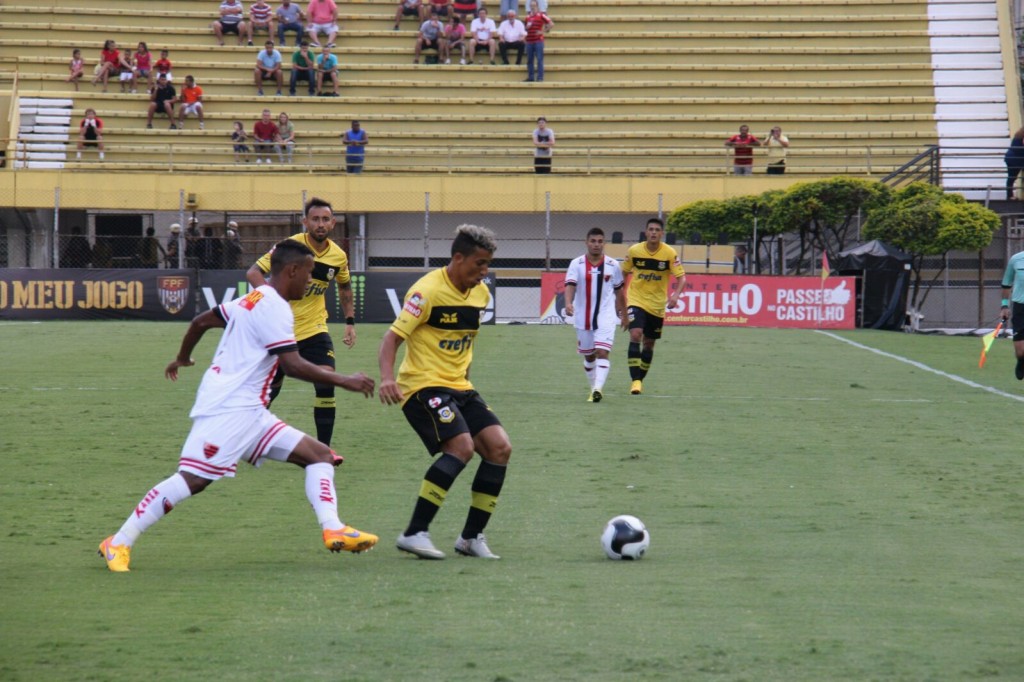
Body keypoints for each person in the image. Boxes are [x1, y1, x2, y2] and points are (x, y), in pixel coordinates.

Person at [97, 239, 378, 573]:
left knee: (319, 455)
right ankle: (119, 541)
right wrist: (345, 380)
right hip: (229, 410)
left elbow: (201, 321)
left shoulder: (253, 297)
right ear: (292, 270)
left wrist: (183, 357)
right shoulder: (275, 307)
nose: (311, 281)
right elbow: (293, 366)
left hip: (252, 412)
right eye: (308, 273)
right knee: (193, 480)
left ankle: (333, 528)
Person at [378, 224, 512, 561]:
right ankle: (414, 533)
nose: (484, 273)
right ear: (458, 258)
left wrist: (466, 379)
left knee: (499, 448)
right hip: (421, 386)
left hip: (460, 387)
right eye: (479, 264)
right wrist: (386, 379)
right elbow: (392, 338)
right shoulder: (426, 292)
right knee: (462, 447)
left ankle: (470, 538)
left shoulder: (480, 294)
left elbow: (465, 343)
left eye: (488, 265)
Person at [246, 197, 358, 446]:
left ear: (333, 223)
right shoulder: (289, 247)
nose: (320, 224)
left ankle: (324, 450)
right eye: (315, 219)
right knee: (269, 390)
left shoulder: (338, 256)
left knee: (326, 380)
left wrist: (350, 322)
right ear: (305, 221)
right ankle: (248, 438)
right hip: (280, 330)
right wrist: (272, 299)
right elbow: (254, 272)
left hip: (315, 328)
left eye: (325, 219)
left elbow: (345, 287)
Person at [620, 217, 686, 395]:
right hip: (636, 300)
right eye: (651, 229)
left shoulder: (669, 253)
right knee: (636, 334)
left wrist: (676, 294)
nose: (654, 232)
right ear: (646, 232)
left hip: (657, 305)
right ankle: (635, 381)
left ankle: (639, 379)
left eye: (657, 230)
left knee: (648, 344)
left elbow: (682, 277)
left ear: (661, 233)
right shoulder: (634, 251)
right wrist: (621, 300)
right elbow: (623, 274)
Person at [563, 227, 627, 403]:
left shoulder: (613, 265)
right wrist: (568, 303)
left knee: (602, 352)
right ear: (587, 242)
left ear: (604, 243)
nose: (596, 245)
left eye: (600, 241)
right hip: (583, 316)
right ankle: (593, 389)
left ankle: (598, 389)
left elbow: (620, 291)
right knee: (589, 355)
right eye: (593, 241)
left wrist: (625, 315)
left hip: (605, 315)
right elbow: (570, 285)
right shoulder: (576, 264)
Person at [1000, 250, 1024, 379]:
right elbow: (1006, 283)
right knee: (1020, 351)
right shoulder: (1016, 259)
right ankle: (1021, 361)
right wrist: (1004, 306)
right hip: (1020, 307)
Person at [523, 0, 552, 82]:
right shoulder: (527, 17)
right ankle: (531, 77)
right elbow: (525, 28)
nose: (532, 7)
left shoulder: (541, 15)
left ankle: (540, 77)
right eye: (531, 5)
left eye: (534, 5)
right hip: (529, 40)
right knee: (529, 60)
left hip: (538, 40)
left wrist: (542, 31)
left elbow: (551, 23)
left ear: (537, 6)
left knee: (539, 59)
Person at [1005, 127, 1024, 200]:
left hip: (1011, 158)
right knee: (1012, 177)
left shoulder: (1018, 135)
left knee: (1011, 178)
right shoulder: (1021, 137)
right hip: (1016, 159)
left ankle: (1009, 195)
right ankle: (1009, 196)